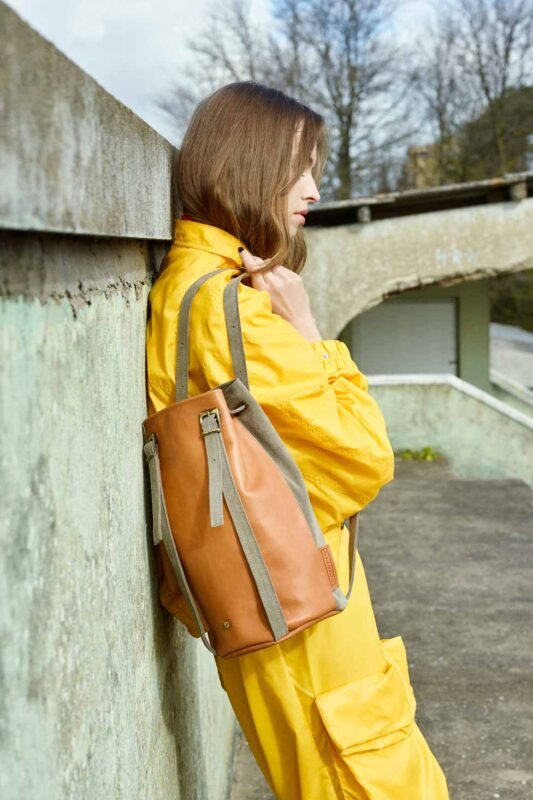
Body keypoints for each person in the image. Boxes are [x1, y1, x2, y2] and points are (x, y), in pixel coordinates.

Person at [145, 81, 449, 800]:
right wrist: (311, 333)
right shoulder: (236, 311)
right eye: (298, 167)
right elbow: (362, 459)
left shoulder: (190, 285)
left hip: (277, 603)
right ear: (245, 164)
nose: (312, 189)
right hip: (303, 617)